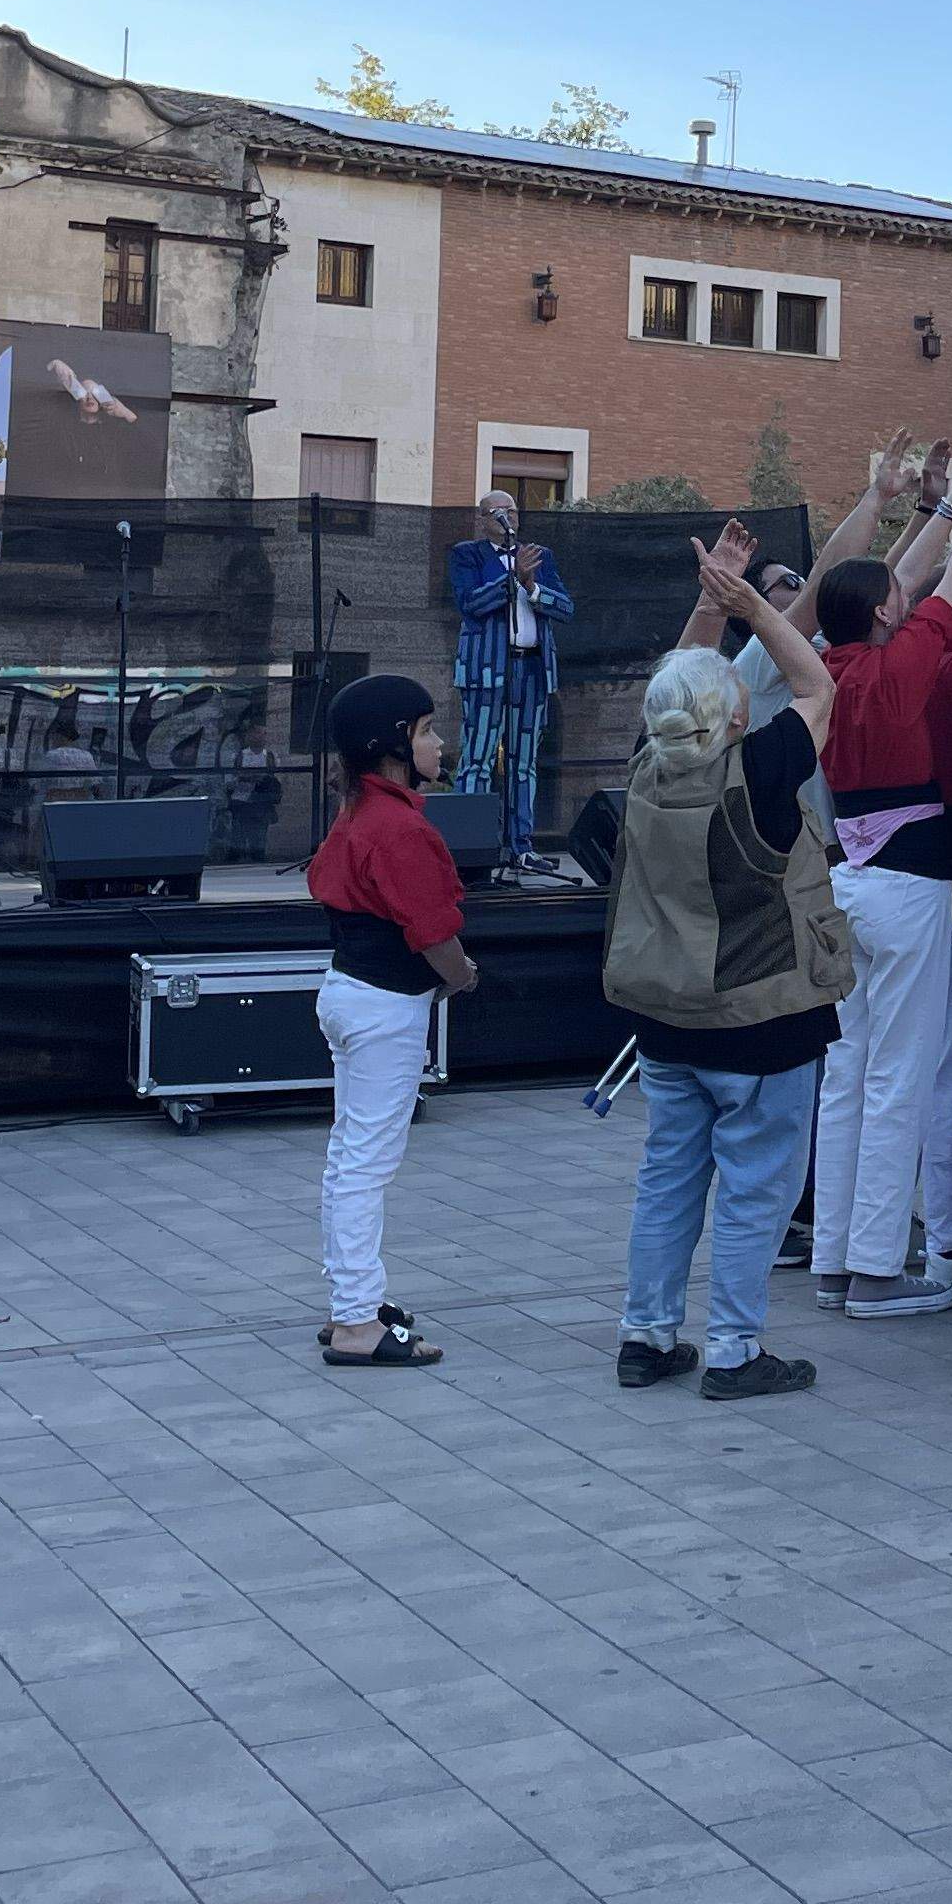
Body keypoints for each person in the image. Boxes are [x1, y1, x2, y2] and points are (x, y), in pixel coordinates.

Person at [606, 527, 848, 1404]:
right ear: (736, 715)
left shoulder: (645, 774)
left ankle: (646, 1335)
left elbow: (678, 689)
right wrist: (751, 608)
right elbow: (817, 683)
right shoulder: (765, 770)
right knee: (755, 1189)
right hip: (764, 1020)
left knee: (669, 1179)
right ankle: (737, 1350)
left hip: (668, 1017)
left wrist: (713, 604)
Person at [809, 456, 952, 1317]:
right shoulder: (905, 663)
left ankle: (831, 1258)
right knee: (900, 1078)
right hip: (908, 890)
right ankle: (879, 1272)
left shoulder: (820, 667)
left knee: (845, 1073)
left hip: (843, 884)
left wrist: (951, 501)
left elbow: (911, 575)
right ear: (886, 611)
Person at [304, 675, 478, 1368]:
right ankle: (354, 1323)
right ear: (392, 745)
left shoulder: (360, 812)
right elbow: (433, 931)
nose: (438, 742)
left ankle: (354, 1300)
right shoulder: (399, 825)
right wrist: (462, 977)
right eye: (427, 729)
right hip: (382, 1009)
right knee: (366, 1164)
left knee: (351, 1156)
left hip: (353, 992)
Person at [446, 493, 578, 883]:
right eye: (497, 513)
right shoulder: (467, 554)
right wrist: (511, 578)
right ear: (482, 519)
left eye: (512, 511)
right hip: (485, 672)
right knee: (478, 757)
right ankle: (470, 847)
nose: (506, 518)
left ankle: (522, 847)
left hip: (532, 670)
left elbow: (565, 607)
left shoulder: (540, 556)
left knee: (523, 762)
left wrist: (532, 587)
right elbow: (470, 603)